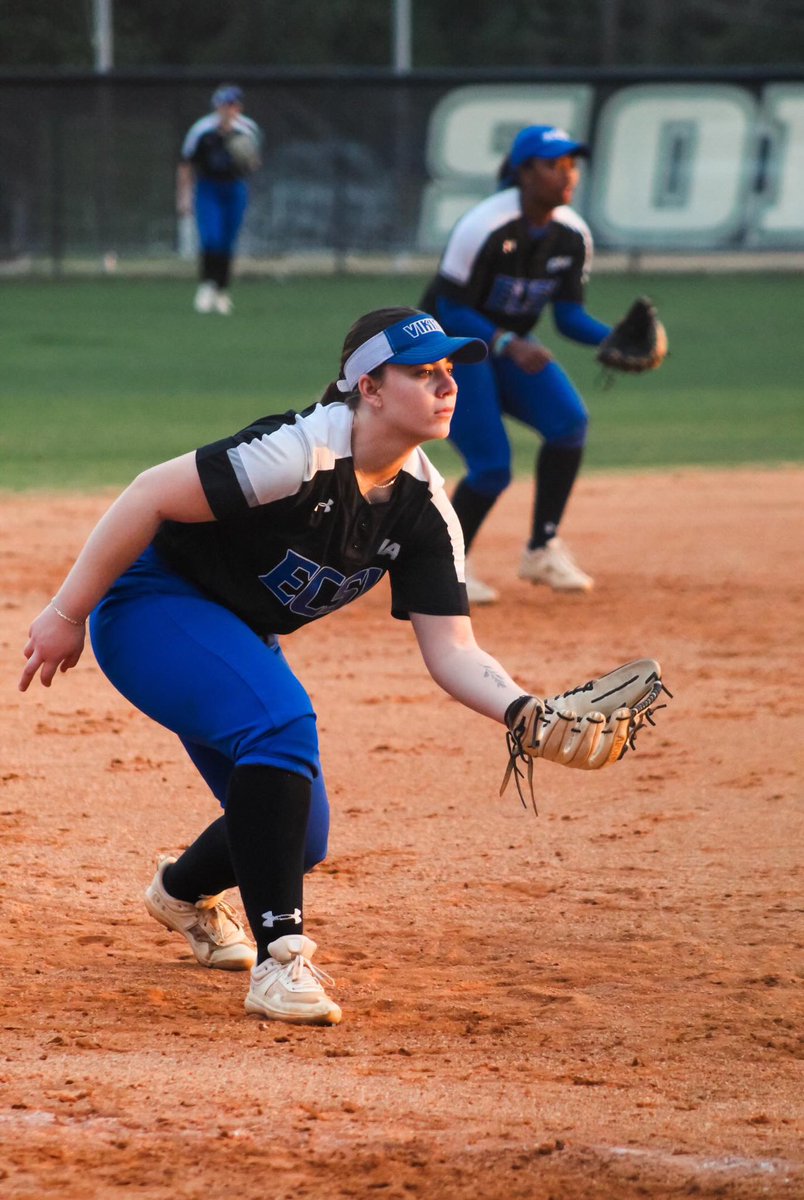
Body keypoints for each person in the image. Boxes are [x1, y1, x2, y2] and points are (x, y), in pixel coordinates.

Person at [20, 305, 566, 1027]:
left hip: (236, 632)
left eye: (450, 372)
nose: (447, 385)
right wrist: (66, 614)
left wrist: (527, 712)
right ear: (368, 387)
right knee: (282, 726)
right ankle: (282, 963)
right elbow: (151, 491)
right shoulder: (299, 453)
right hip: (154, 606)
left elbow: (454, 650)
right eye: (422, 371)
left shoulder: (425, 508)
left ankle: (181, 894)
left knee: (298, 837)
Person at [421, 124, 614, 604]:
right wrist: (508, 342)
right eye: (553, 164)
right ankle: (439, 569)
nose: (566, 174)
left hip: (507, 348)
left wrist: (613, 341)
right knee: (492, 467)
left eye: (571, 164)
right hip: (452, 348)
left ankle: (542, 548)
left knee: (569, 424)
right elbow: (450, 307)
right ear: (524, 172)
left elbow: (568, 316)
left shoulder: (572, 234)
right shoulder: (484, 225)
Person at [176, 84, 262, 316]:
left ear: (239, 106)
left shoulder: (247, 129)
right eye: (224, 104)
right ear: (217, 106)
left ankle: (222, 290)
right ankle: (207, 285)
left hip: (234, 187)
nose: (228, 109)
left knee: (227, 241)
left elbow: (254, 164)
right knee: (211, 237)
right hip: (208, 188)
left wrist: (244, 156)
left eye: (233, 104)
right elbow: (186, 165)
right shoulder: (202, 130)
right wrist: (184, 196)